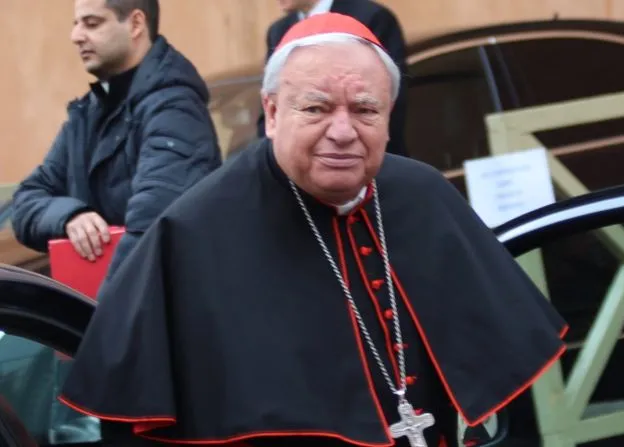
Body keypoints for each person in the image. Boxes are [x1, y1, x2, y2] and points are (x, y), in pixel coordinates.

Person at [59, 13, 567, 447]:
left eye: (365, 110)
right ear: (274, 113)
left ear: (389, 117)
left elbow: (508, 379)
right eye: (317, 108)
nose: (343, 132)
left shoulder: (424, 195)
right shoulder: (193, 232)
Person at [11, 0, 222, 281]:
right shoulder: (88, 113)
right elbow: (25, 202)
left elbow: (151, 234)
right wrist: (70, 216)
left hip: (153, 313)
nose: (76, 36)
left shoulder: (174, 110)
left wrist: (106, 317)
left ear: (136, 24)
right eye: (76, 23)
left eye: (92, 23)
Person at [257, 0, 409, 157]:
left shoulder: (372, 16)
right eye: (314, 109)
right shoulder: (278, 30)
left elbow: (389, 98)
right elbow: (271, 101)